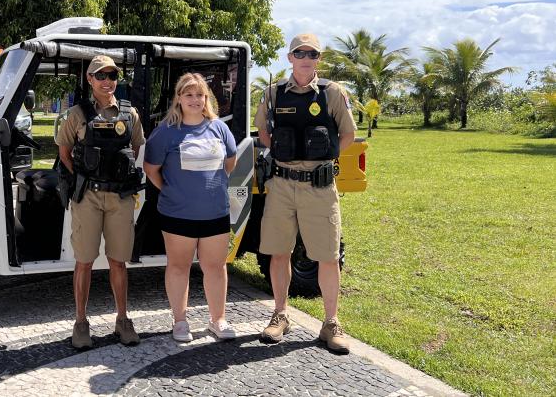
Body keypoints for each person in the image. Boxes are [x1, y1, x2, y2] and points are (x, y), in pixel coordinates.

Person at [253, 33, 357, 354]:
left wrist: (323, 159)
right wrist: (286, 156)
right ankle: (280, 315)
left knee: (327, 255)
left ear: (318, 59)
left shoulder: (332, 93)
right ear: (290, 58)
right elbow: (263, 132)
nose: (306, 58)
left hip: (319, 187)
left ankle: (331, 323)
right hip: (282, 185)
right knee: (278, 252)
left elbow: (348, 134)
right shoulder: (273, 93)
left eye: (312, 53)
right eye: (300, 53)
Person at [56, 55, 144, 349]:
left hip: (120, 197)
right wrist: (84, 178)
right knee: (84, 261)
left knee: (118, 261)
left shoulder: (130, 114)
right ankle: (81, 323)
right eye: (101, 75)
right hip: (89, 198)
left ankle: (123, 320)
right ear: (90, 79)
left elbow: (134, 150)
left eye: (112, 75)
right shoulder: (77, 114)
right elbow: (64, 154)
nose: (107, 81)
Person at [143, 73, 238, 342]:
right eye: (188, 94)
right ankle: (180, 321)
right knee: (178, 267)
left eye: (199, 95)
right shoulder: (166, 131)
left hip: (215, 213)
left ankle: (218, 320)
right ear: (179, 98)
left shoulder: (219, 128)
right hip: (177, 214)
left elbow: (229, 163)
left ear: (206, 98)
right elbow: (151, 169)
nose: (195, 100)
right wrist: (172, 190)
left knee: (216, 267)